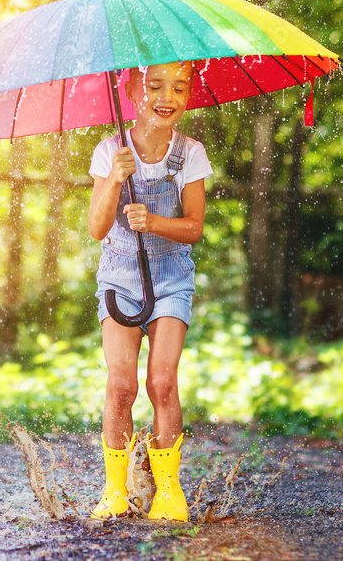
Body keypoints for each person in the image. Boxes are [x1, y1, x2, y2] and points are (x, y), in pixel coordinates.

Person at [86, 61, 213, 521]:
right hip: (120, 277)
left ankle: (170, 491)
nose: (168, 96)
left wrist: (154, 222)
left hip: (170, 280)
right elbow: (98, 227)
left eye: (180, 88)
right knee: (121, 385)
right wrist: (116, 180)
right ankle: (114, 489)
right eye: (155, 85)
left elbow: (194, 227)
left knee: (162, 381)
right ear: (133, 90)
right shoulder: (109, 151)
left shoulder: (190, 153)